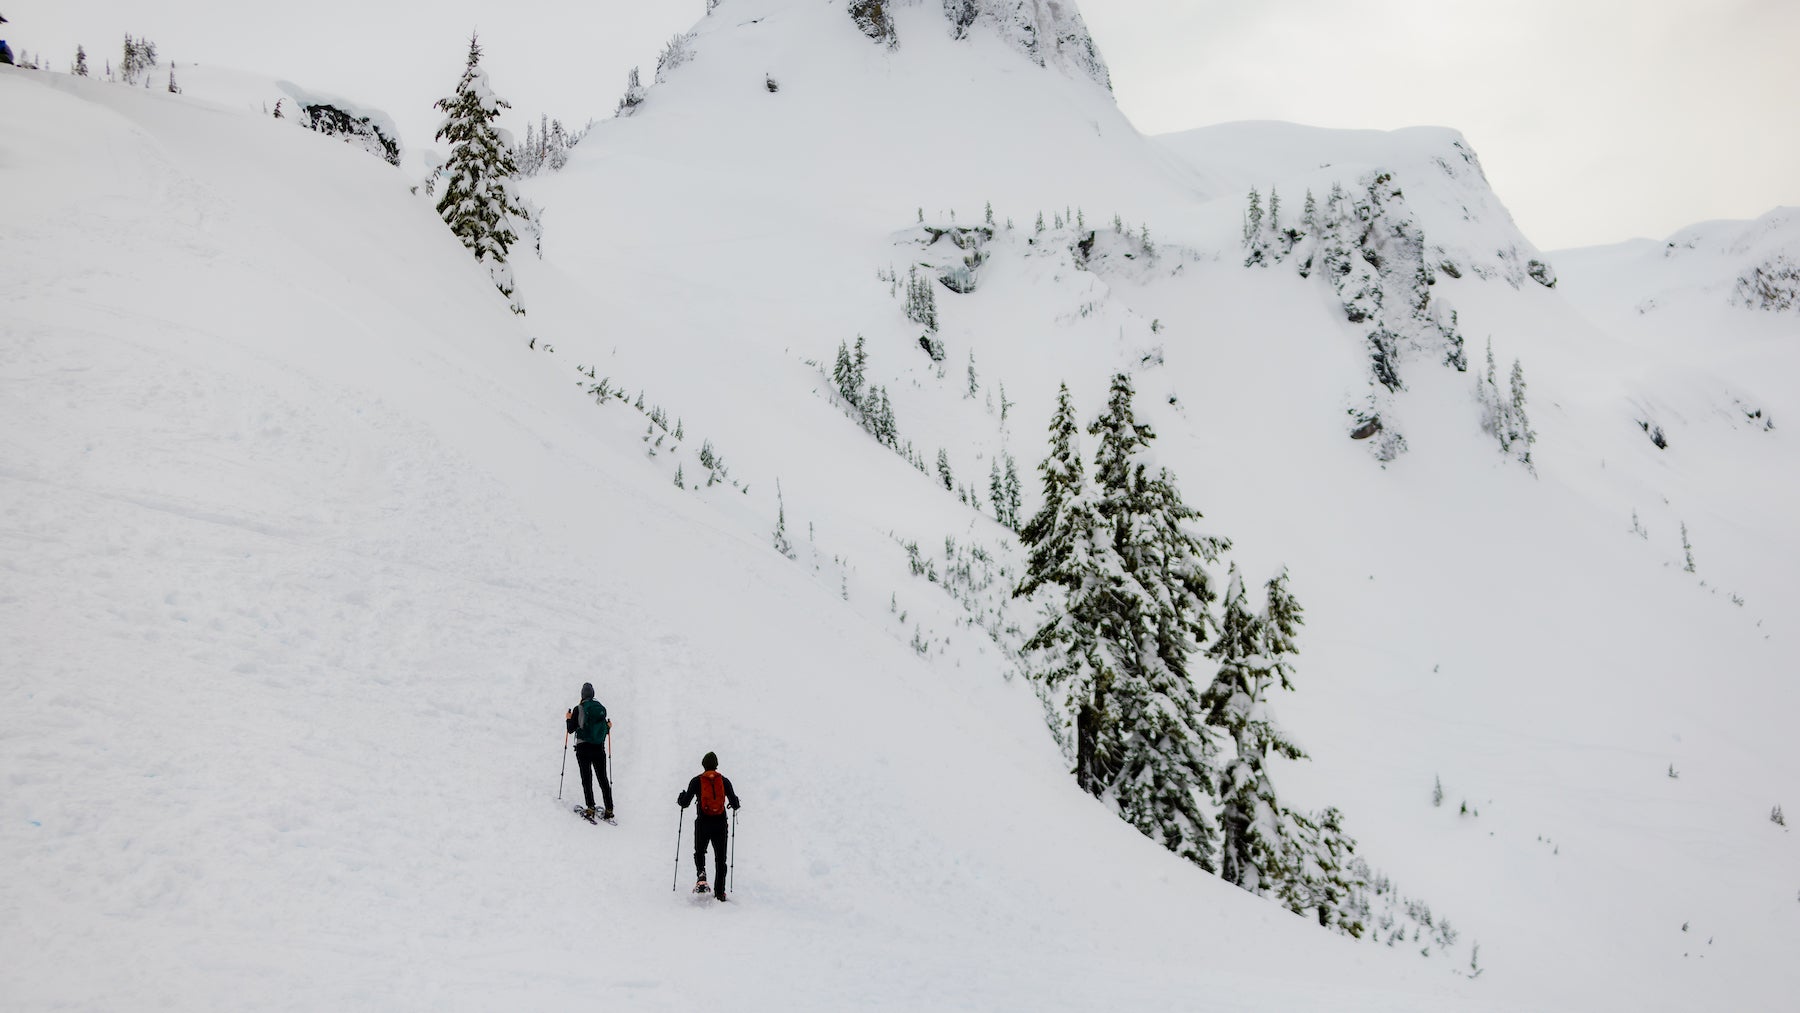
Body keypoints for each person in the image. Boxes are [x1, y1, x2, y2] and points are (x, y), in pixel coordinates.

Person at [676, 751, 740, 900]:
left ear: (703, 765)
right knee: (721, 859)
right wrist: (735, 802)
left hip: (703, 824)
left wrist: (680, 798)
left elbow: (685, 803)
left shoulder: (696, 781)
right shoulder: (724, 781)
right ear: (716, 765)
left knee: (699, 852)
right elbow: (735, 803)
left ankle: (701, 874)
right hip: (720, 824)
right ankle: (720, 892)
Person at [564, 682, 613, 822]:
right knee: (603, 778)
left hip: (583, 748)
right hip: (599, 748)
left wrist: (568, 719)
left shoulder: (578, 708)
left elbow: (570, 729)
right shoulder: (600, 708)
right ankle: (609, 810)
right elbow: (603, 730)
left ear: (582, 695)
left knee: (587, 778)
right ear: (593, 694)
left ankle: (590, 808)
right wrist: (608, 727)